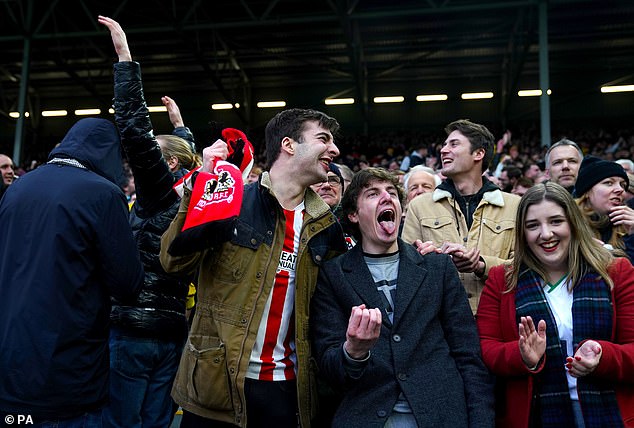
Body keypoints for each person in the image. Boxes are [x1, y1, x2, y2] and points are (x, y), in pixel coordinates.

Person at [160, 108, 347, 428]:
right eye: (323, 139)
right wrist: (200, 190)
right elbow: (174, 262)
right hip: (217, 386)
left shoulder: (327, 228)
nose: (335, 150)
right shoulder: (233, 200)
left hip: (287, 391)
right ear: (289, 144)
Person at [311, 167, 494, 427]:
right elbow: (329, 368)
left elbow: (468, 355)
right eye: (373, 194)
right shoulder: (333, 275)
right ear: (353, 214)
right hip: (368, 415)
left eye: (392, 193)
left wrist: (481, 422)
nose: (386, 198)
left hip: (440, 416)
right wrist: (353, 351)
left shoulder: (437, 267)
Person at [0, 118, 144, 425]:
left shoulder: (17, 188)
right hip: (67, 368)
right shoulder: (103, 193)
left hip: (11, 362)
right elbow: (127, 283)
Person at [98, 16, 200, 427]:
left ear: (168, 163)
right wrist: (180, 128)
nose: (144, 163)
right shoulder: (193, 193)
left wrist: (125, 59)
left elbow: (136, 133)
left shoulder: (158, 193)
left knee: (123, 421)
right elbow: (183, 159)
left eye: (159, 156)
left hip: (135, 331)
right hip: (172, 328)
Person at [477, 182, 634, 428]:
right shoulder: (502, 279)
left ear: (573, 223)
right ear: (521, 233)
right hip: (535, 415)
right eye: (532, 226)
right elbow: (486, 348)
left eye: (556, 222)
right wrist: (523, 356)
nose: (546, 234)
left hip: (611, 412)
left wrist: (603, 356)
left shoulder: (616, 271)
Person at [402, 119, 520, 313]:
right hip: (442, 324)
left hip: (498, 321)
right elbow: (405, 269)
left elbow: (525, 267)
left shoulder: (514, 205)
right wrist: (430, 259)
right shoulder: (419, 207)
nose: (443, 150)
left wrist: (482, 265)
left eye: (454, 144)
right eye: (445, 144)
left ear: (479, 153)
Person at [572, 155, 634, 262]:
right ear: (587, 192)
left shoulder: (629, 225)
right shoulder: (568, 226)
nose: (620, 190)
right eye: (609, 183)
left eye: (623, 185)